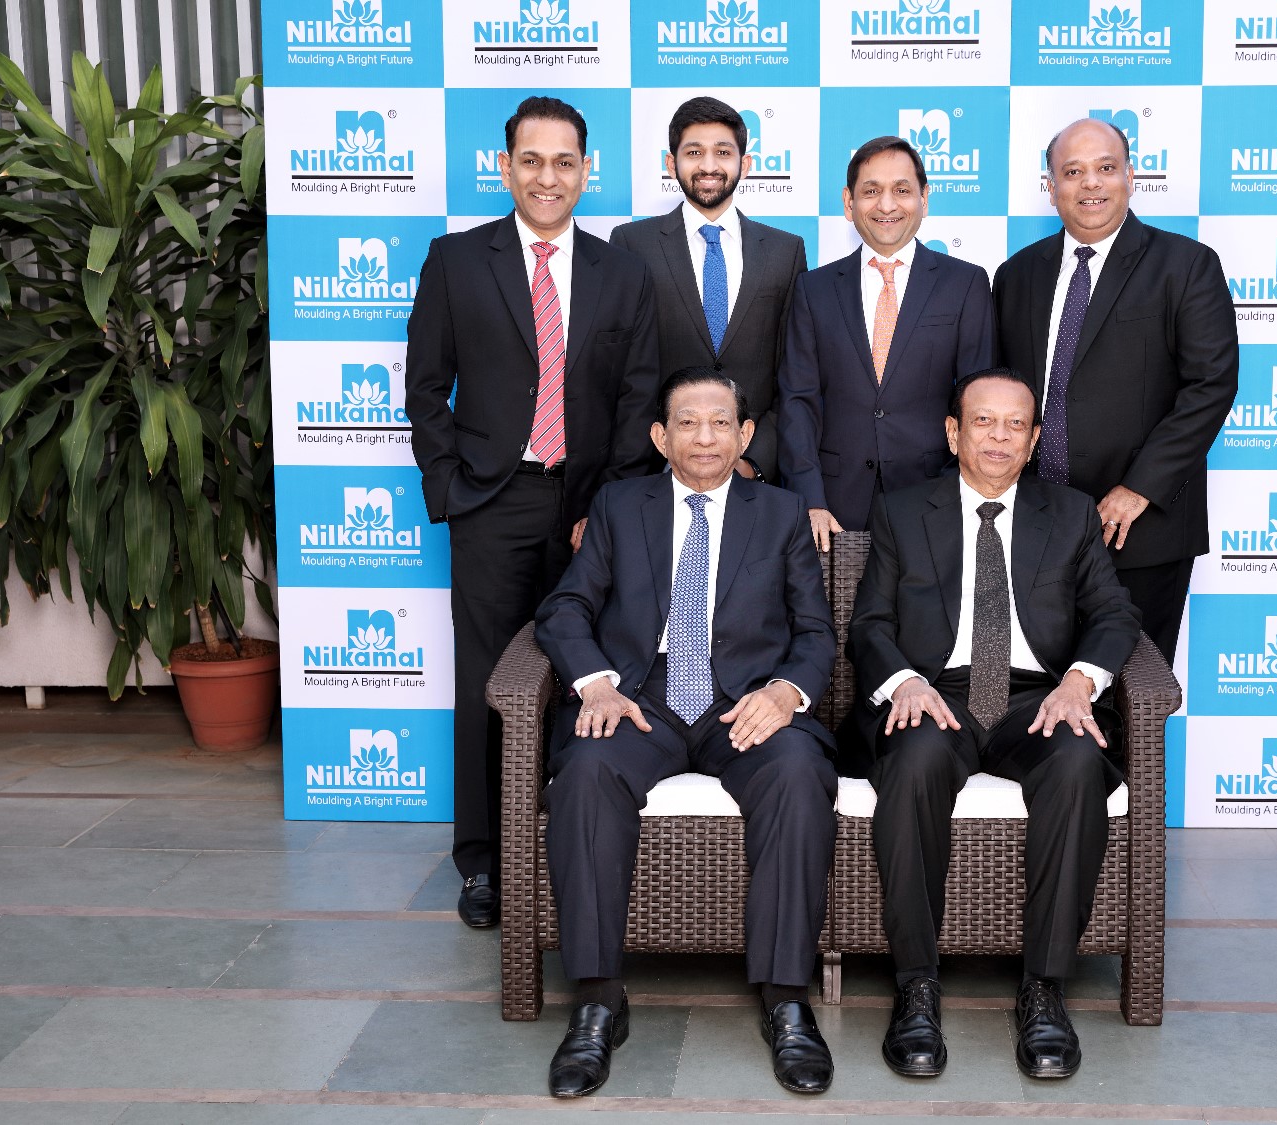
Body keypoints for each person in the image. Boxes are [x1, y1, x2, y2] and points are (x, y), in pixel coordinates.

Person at [534, 368, 839, 1098]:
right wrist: (595, 682)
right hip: (642, 702)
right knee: (586, 770)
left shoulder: (781, 512)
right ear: (660, 436)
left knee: (798, 772)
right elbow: (566, 608)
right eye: (688, 423)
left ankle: (787, 999)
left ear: (746, 434)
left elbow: (816, 632)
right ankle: (597, 1001)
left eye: (721, 422)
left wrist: (785, 691)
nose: (705, 437)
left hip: (743, 707)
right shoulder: (619, 506)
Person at [843, 368, 1141, 1081]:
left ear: (1034, 440)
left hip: (1037, 696)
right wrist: (904, 681)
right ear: (954, 433)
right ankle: (917, 986)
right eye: (983, 421)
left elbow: (1114, 613)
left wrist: (1080, 681)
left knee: (1077, 762)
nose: (999, 438)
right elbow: (870, 624)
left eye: (1015, 425)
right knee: (913, 759)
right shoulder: (902, 510)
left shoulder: (1070, 514)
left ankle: (1045, 988)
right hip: (934, 692)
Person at [406, 95, 660, 930]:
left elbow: (637, 399)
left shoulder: (622, 271)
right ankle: (486, 860)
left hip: (590, 509)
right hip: (492, 501)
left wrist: (608, 505)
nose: (547, 177)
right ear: (505, 167)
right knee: (489, 682)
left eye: (564, 162)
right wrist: (453, 487)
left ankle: (563, 845)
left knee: (586, 675)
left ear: (587, 171)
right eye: (531, 160)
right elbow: (424, 388)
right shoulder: (455, 260)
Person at [992, 117, 1237, 663]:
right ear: (1050, 187)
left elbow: (1211, 385)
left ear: (1131, 176)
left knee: (1136, 690)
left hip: (1140, 527)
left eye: (1106, 168)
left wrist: (1138, 489)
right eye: (1072, 171)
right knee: (1040, 688)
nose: (1091, 183)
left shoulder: (1185, 265)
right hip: (1036, 525)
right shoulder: (1016, 275)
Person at [778, 136, 996, 550]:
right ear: (849, 202)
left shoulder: (965, 283)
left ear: (924, 199)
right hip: (834, 508)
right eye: (871, 191)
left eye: (901, 190)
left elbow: (980, 403)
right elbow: (797, 401)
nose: (887, 204)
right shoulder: (814, 289)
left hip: (935, 499)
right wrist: (810, 498)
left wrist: (958, 492)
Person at [610, 96, 806, 483]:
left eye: (723, 152)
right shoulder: (632, 243)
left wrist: (754, 462)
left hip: (751, 475)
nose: (709, 166)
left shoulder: (785, 251)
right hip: (653, 471)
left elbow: (794, 376)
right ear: (672, 164)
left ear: (745, 164)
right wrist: (650, 458)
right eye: (694, 152)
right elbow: (620, 370)